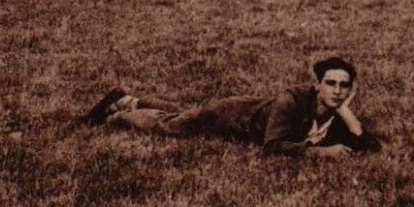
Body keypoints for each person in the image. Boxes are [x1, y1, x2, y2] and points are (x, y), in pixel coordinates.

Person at [84, 55, 380, 156]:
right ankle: (118, 116)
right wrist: (322, 153)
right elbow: (272, 146)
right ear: (317, 85)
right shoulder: (291, 100)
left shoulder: (336, 111)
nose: (337, 91)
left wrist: (346, 113)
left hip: (238, 111)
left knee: (184, 114)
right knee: (171, 126)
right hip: (230, 117)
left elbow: (369, 147)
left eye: (344, 86)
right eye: (331, 83)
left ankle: (129, 100)